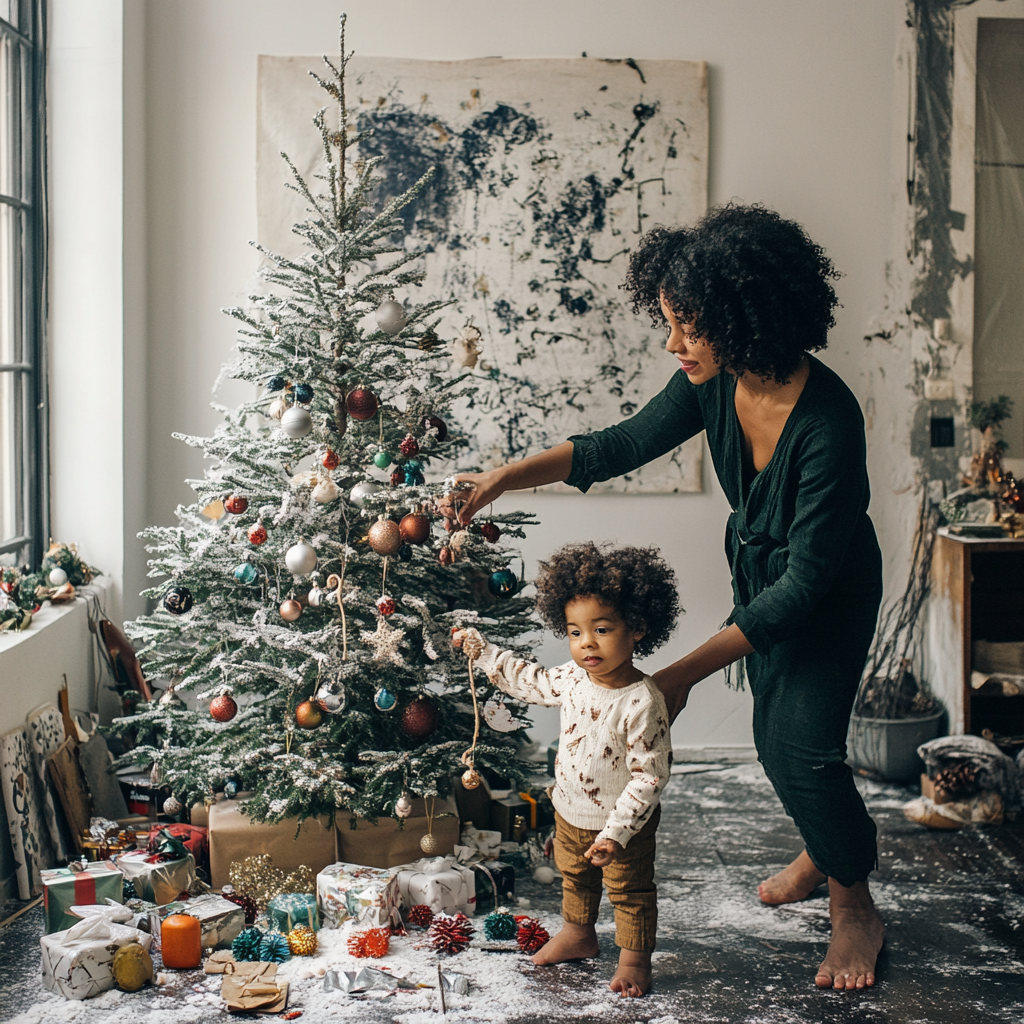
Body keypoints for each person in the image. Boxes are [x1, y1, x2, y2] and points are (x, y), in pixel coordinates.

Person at [453, 203, 885, 991]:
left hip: (826, 593)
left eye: (688, 326)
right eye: (669, 323)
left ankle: (854, 902)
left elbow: (806, 586)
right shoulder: (711, 380)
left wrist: (678, 674)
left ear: (741, 319)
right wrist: (503, 477)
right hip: (765, 584)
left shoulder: (828, 423)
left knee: (801, 749)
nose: (673, 344)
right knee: (774, 730)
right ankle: (825, 852)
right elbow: (619, 445)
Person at [453, 541, 680, 998]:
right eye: (575, 632)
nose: (586, 643)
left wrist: (617, 831)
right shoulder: (574, 678)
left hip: (622, 827)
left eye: (601, 629)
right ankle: (579, 933)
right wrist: (483, 653)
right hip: (570, 810)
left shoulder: (641, 701)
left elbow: (649, 776)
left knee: (629, 892)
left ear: (637, 627)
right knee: (574, 877)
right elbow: (528, 679)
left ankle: (635, 958)